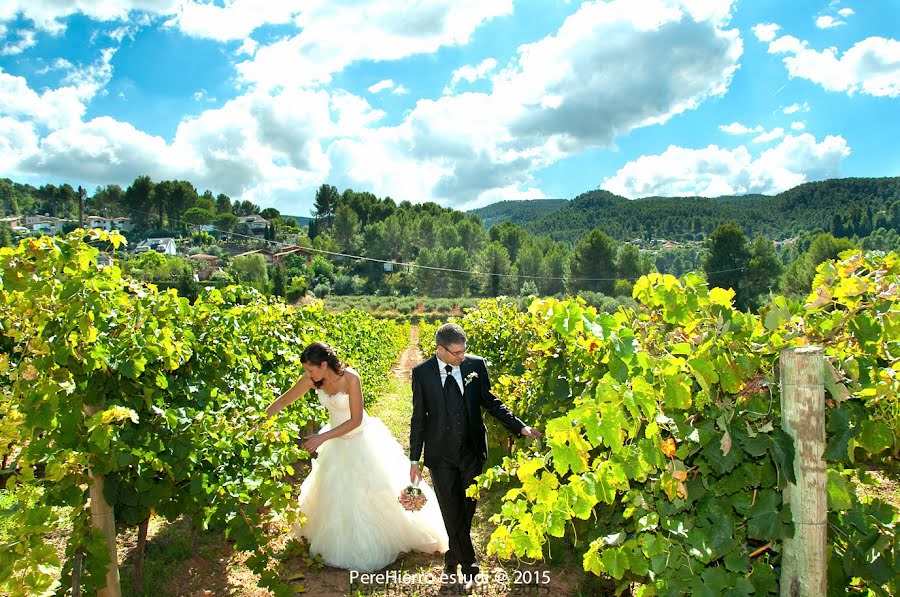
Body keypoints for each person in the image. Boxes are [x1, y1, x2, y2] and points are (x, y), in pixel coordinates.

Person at [266, 341, 448, 572]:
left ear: (324, 365)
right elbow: (284, 400)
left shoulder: (351, 378)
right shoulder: (313, 380)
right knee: (336, 493)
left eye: (310, 369)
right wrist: (260, 419)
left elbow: (355, 421)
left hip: (360, 440)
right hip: (335, 443)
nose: (307, 374)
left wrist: (322, 438)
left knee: (379, 490)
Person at [409, 323, 541, 587]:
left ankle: (452, 557)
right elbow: (418, 418)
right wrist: (415, 458)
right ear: (440, 350)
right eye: (456, 353)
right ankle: (469, 564)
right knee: (450, 508)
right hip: (440, 453)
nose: (461, 358)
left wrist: (520, 426)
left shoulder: (475, 366)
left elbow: (490, 401)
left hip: (472, 450)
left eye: (464, 352)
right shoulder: (422, 373)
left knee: (467, 508)